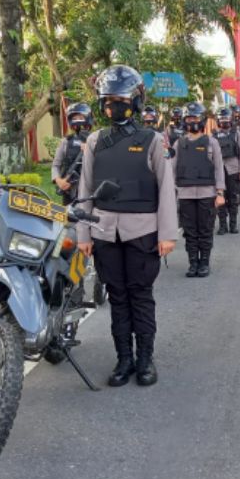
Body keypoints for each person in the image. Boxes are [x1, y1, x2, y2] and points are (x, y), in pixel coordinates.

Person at [77, 65, 177, 388]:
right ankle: (124, 359)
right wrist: (84, 235)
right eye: (107, 101)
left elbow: (165, 190)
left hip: (143, 233)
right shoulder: (95, 141)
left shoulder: (152, 140)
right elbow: (85, 190)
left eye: (119, 100)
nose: (113, 107)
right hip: (105, 233)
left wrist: (167, 235)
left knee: (141, 295)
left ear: (134, 102)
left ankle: (146, 359)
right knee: (117, 298)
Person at [175, 102, 226, 277]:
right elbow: (171, 170)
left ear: (202, 120)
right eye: (189, 118)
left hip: (207, 193)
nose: (192, 121)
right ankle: (192, 263)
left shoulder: (212, 142)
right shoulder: (178, 144)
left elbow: (219, 168)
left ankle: (204, 262)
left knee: (205, 229)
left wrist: (220, 192)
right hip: (185, 194)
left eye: (195, 118)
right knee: (189, 231)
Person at [213, 107, 240, 234]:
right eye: (221, 118)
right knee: (219, 197)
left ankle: (233, 224)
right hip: (218, 171)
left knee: (233, 198)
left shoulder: (236, 133)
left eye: (226, 118)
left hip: (233, 169)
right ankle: (223, 225)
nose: (224, 121)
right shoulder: (214, 135)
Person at [51, 102, 93, 204]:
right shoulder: (66, 141)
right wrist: (58, 180)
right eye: (74, 118)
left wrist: (90, 150)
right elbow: (56, 165)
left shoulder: (96, 139)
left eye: (80, 116)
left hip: (90, 191)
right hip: (69, 190)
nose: (77, 120)